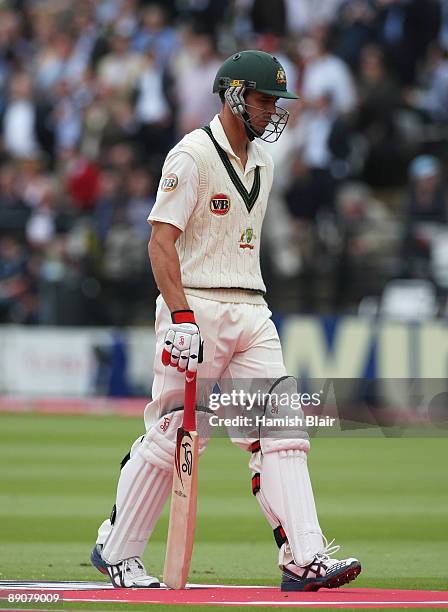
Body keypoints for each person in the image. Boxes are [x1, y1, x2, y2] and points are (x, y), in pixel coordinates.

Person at [90, 50, 362, 591]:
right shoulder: (191, 155)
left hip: (252, 307)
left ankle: (303, 558)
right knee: (177, 435)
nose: (272, 111)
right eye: (264, 100)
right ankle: (117, 550)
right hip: (195, 305)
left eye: (276, 101)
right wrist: (183, 317)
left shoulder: (265, 161)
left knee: (282, 430)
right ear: (234, 95)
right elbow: (160, 242)